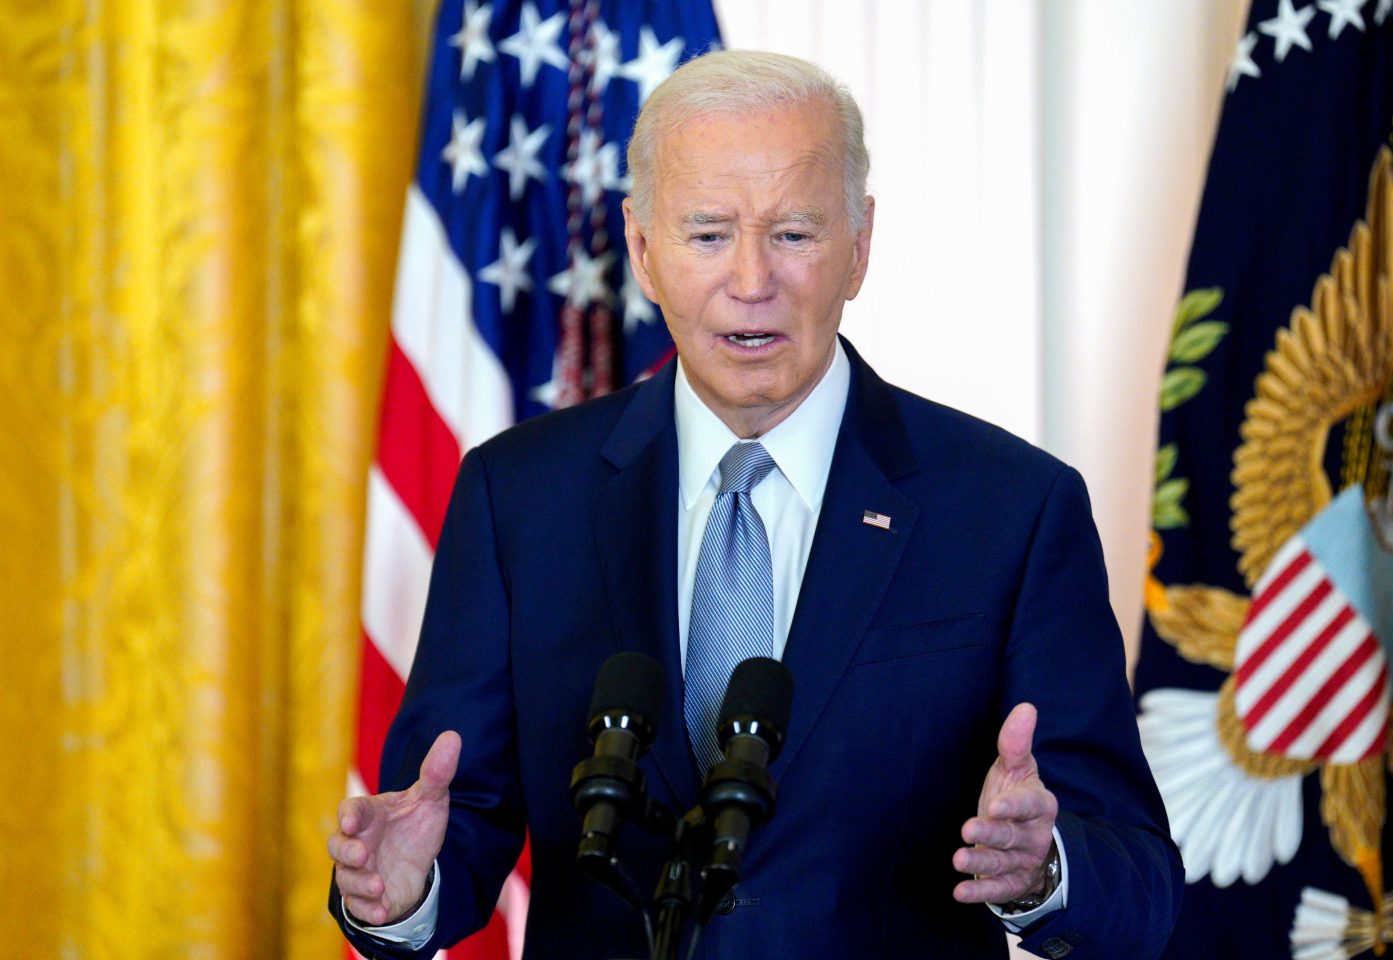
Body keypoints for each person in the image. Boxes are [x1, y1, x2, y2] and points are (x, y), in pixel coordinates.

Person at [328, 50, 1182, 960]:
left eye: (794, 234)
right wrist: (403, 888)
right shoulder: (518, 498)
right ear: (644, 250)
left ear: (860, 245)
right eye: (706, 234)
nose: (750, 280)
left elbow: (1140, 885)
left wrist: (1045, 868)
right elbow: (459, 821)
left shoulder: (1012, 509)